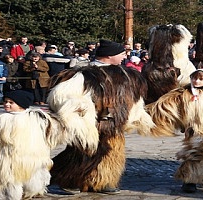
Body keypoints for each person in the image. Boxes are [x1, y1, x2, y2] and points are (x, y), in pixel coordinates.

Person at [48, 41, 154, 195]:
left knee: (112, 153)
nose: (125, 56)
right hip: (90, 124)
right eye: (121, 53)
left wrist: (134, 115)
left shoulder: (126, 74)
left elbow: (134, 98)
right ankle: (72, 180)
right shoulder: (82, 74)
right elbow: (63, 97)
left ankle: (104, 181)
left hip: (115, 123)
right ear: (109, 55)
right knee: (83, 151)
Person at [0, 89, 99, 199]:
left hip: (33, 157)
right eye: (5, 102)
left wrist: (74, 113)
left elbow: (57, 130)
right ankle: (3, 196)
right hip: (5, 158)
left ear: (21, 104)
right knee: (5, 179)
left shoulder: (37, 118)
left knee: (32, 176)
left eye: (11, 102)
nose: (7, 104)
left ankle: (31, 192)